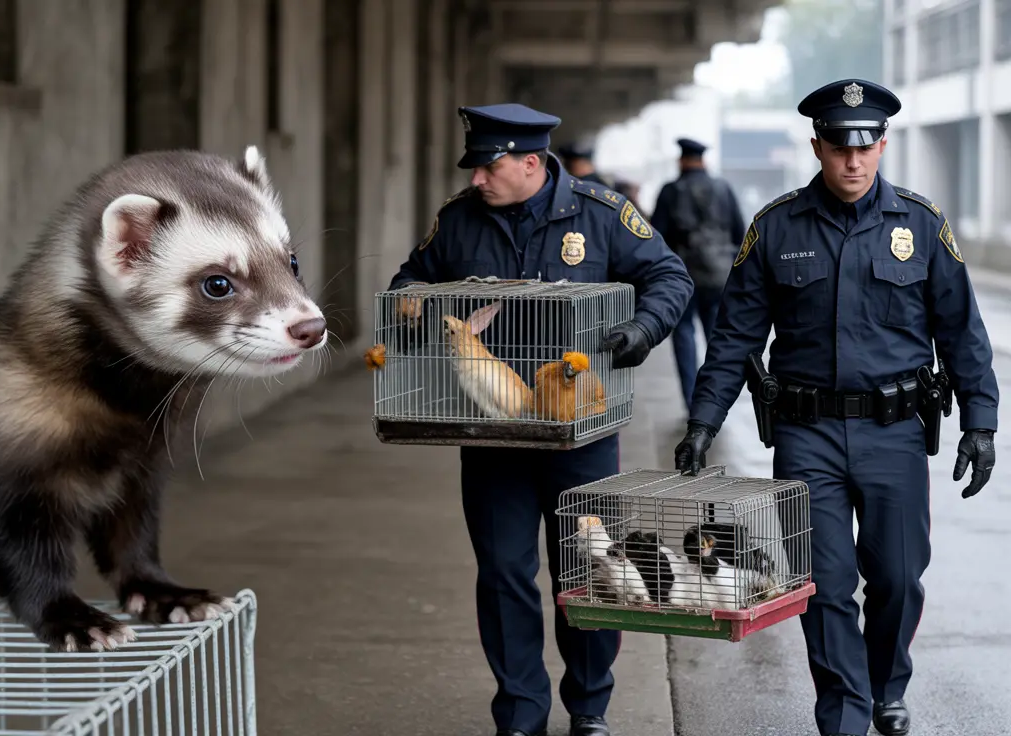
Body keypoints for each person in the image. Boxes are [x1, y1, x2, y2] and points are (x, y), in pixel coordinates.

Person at [673, 79, 997, 736]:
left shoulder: (921, 225)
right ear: (817, 146)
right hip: (806, 432)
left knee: (899, 577)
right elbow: (736, 335)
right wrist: (704, 420)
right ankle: (844, 715)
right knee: (822, 583)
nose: (854, 161)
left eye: (866, 147)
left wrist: (981, 423)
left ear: (882, 146)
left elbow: (961, 332)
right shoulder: (775, 227)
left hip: (894, 433)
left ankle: (886, 684)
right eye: (840, 148)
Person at [387, 103, 693, 736]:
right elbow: (410, 282)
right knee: (503, 574)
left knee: (586, 567)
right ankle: (521, 712)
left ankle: (589, 707)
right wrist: (409, 314)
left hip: (579, 431)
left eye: (489, 166)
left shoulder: (603, 214)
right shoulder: (457, 221)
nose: (477, 179)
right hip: (493, 432)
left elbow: (669, 275)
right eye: (473, 168)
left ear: (531, 163)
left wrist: (641, 329)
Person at [650, 137, 747, 409]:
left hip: (682, 278)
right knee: (718, 340)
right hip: (718, 276)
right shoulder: (723, 188)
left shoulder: (670, 191)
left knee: (683, 336)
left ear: (682, 160)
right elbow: (740, 232)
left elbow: (657, 238)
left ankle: (692, 403)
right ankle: (714, 402)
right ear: (703, 160)